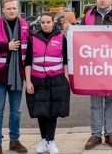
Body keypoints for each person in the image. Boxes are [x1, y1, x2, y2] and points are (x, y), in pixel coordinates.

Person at [80, 0, 112, 150]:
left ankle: (109, 133)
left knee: (111, 100)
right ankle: (95, 134)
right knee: (95, 101)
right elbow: (78, 37)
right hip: (93, 65)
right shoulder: (88, 16)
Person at [0, 0, 30, 154]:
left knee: (15, 111)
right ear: (3, 10)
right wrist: (6, 46)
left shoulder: (24, 25)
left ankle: (14, 141)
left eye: (14, 8)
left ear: (18, 8)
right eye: (8, 8)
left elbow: (31, 47)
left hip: (17, 75)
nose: (11, 11)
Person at [25, 13, 70, 154]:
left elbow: (65, 60)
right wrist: (28, 82)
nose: (45, 25)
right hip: (38, 79)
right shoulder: (33, 37)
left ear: (53, 22)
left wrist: (66, 78)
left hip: (56, 79)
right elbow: (27, 62)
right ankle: (43, 139)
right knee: (41, 111)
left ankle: (51, 141)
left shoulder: (60, 37)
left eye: (48, 22)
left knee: (53, 112)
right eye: (43, 22)